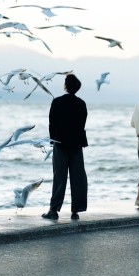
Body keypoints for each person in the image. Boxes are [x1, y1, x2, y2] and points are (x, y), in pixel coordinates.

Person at [42, 73, 88, 220]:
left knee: (59, 177)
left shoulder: (57, 102)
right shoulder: (81, 104)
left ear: (65, 86)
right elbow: (82, 124)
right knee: (78, 177)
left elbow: (52, 123)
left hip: (60, 144)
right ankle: (76, 211)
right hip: (77, 145)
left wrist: (54, 139)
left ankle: (54, 210)